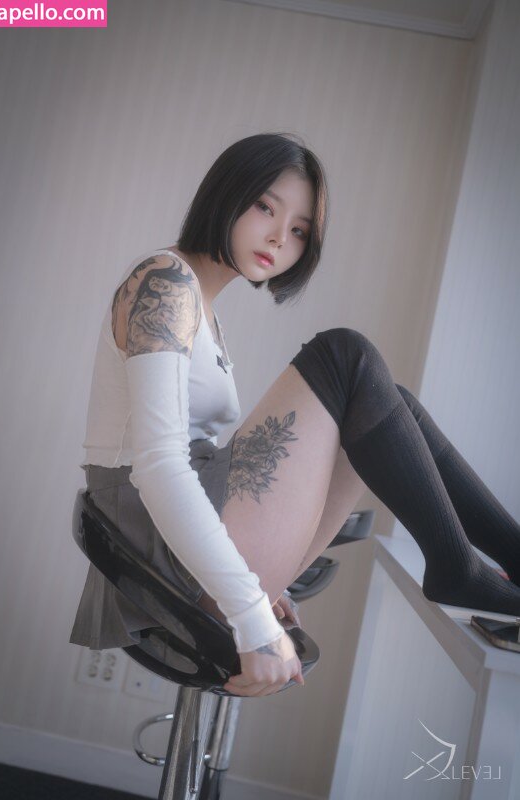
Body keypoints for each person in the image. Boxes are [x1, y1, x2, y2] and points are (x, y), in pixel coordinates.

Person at [70, 132, 520, 698]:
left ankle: (500, 557)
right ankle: (460, 566)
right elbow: (158, 467)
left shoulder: (201, 305)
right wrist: (251, 615)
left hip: (181, 531)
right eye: (266, 207)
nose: (280, 237)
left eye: (301, 229)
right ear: (227, 192)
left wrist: (259, 569)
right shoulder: (164, 281)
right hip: (154, 550)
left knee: (390, 405)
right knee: (345, 358)